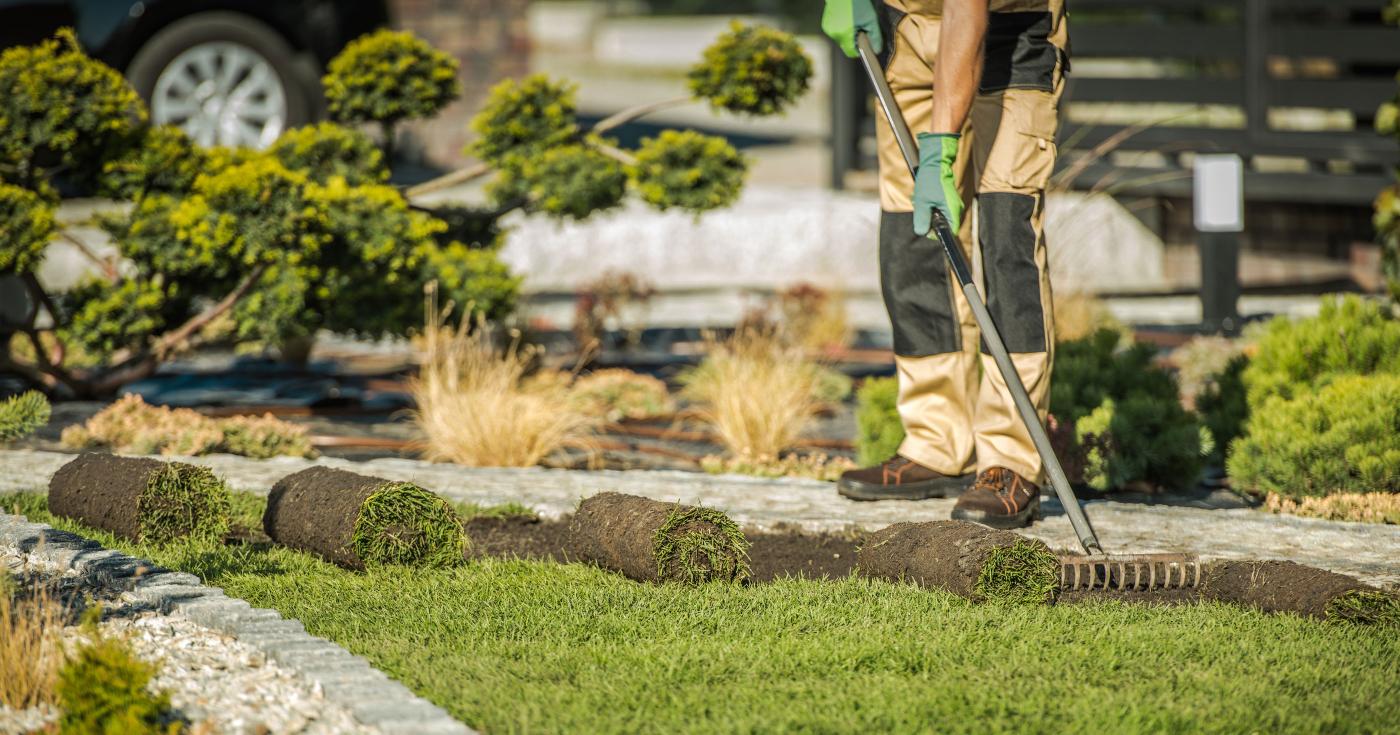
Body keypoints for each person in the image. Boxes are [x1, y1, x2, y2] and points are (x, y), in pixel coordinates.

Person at [823, 0, 1068, 529]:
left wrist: (938, 150)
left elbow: (967, 14)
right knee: (912, 237)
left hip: (1009, 32)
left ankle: (1010, 459)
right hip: (909, 33)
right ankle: (937, 440)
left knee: (1008, 235)